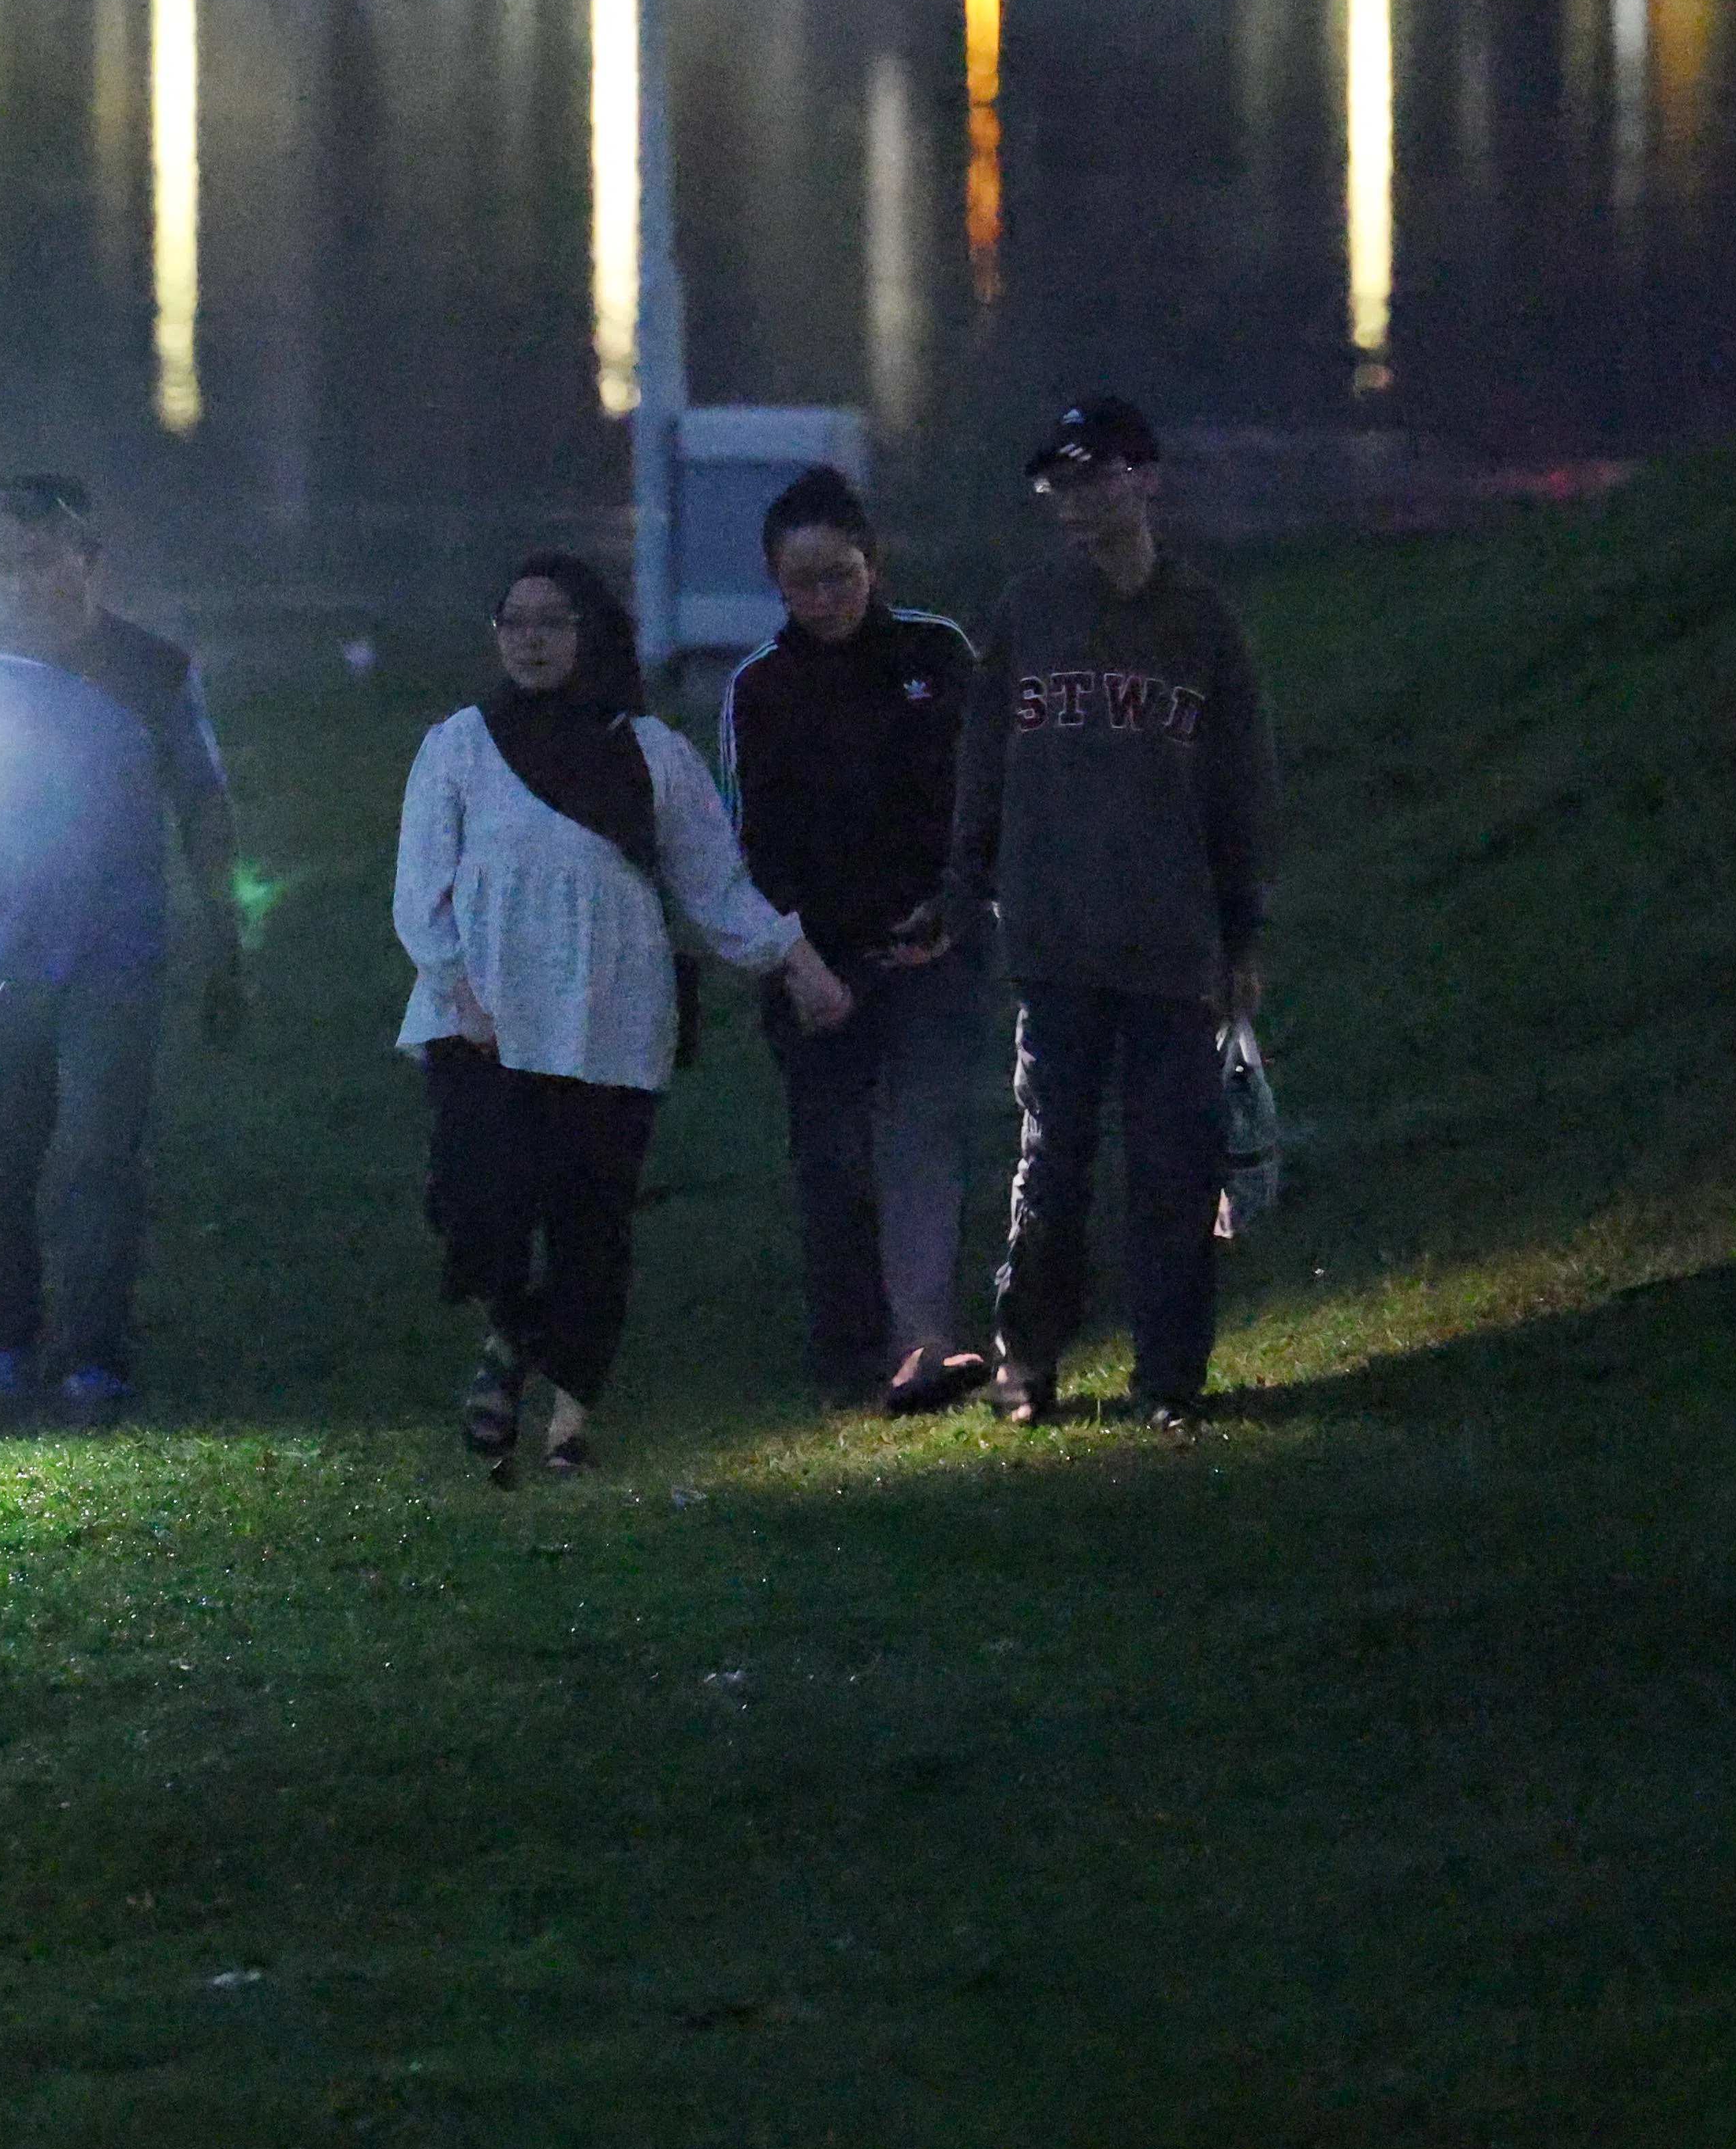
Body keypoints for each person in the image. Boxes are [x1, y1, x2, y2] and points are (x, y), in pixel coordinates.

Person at [395, 554, 854, 1483]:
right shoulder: (460, 745)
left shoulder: (650, 752)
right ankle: (513, 1335)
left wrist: (797, 960)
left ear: (590, 632)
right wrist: (458, 986)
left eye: (552, 622)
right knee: (477, 1203)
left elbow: (713, 883)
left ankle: (569, 1417)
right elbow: (422, 884)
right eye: (514, 621)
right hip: (486, 1016)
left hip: (607, 1015)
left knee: (590, 1218)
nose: (530, 640)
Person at [945, 397, 1279, 1431]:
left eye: (1096, 476)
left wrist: (1243, 928)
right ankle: (1028, 1361)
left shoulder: (1200, 621)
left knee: (1176, 1168)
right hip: (1056, 937)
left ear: (1146, 478)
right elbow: (986, 761)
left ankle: (1170, 1377)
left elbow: (1238, 783)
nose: (1078, 498)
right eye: (1064, 481)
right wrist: (972, 878)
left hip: (1173, 943)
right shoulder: (1031, 611)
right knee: (1052, 1158)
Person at [0, 474, 246, 1414]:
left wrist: (226, 943)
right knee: (0, 1165)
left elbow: (204, 806)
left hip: (118, 962)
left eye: (36, 558)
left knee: (100, 1159)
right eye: (0, 562)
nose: (16, 580)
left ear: (88, 558)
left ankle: (94, 1357)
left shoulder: (156, 671)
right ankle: (5, 1350)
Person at [720, 465, 994, 1416]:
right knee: (832, 1149)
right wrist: (795, 956)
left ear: (872, 564)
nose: (827, 599)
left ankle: (923, 1332)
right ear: (777, 583)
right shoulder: (762, 688)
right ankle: (848, 1337)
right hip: (818, 956)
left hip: (934, 942)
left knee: (924, 1134)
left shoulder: (938, 654)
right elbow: (752, 838)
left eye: (841, 576)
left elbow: (980, 795)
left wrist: (954, 908)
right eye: (805, 583)